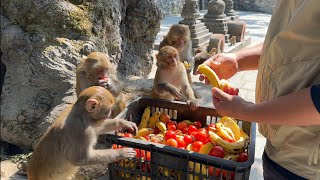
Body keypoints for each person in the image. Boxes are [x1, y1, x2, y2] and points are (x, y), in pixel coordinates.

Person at [198, 0, 320, 179]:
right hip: (278, 149)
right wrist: (238, 60)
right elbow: (288, 45)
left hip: (307, 165)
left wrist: (245, 111)